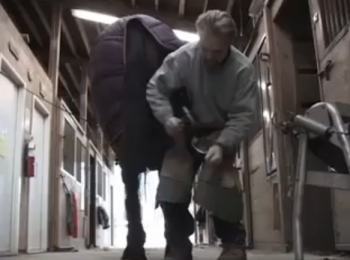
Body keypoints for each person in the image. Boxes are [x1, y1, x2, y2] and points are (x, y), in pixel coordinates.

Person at [146, 10, 257, 260]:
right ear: (199, 37)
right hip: (183, 133)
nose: (207, 56)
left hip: (219, 134)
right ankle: (177, 243)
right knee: (170, 188)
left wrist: (223, 144)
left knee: (224, 188)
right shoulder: (183, 57)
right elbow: (156, 88)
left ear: (230, 44)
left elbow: (243, 115)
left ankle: (232, 245)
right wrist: (166, 117)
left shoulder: (243, 70)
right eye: (204, 47)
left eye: (216, 52)